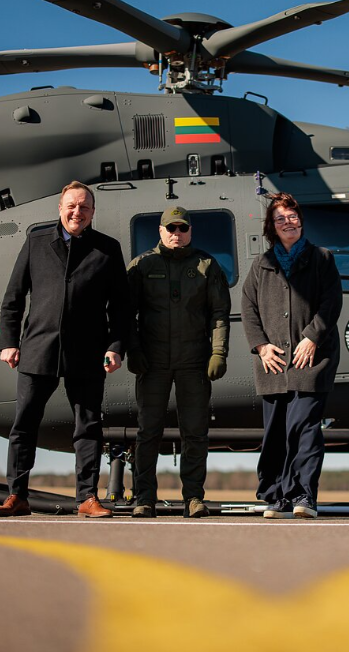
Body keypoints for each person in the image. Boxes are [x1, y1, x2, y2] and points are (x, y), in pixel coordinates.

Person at [0, 180, 128, 518]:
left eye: (84, 207)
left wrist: (115, 346)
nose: (77, 212)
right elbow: (13, 297)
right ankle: (17, 496)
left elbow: (121, 307)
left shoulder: (107, 248)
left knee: (88, 427)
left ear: (93, 212)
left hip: (87, 351)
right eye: (71, 206)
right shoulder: (36, 241)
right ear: (60, 208)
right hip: (38, 348)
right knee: (24, 423)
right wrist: (9, 342)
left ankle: (87, 498)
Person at [240, 193, 343, 519]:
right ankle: (276, 496)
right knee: (275, 432)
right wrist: (261, 346)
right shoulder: (261, 265)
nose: (289, 223)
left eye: (293, 216)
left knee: (304, 426)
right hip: (273, 362)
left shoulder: (322, 258)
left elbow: (331, 302)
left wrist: (312, 337)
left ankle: (303, 496)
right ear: (272, 226)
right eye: (281, 218)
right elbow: (248, 308)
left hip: (312, 359)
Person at [127, 206, 231, 518]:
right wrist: (134, 350)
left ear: (190, 231)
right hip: (153, 362)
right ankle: (144, 498)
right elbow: (126, 314)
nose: (176, 234)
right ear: (160, 231)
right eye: (170, 228)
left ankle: (194, 498)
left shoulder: (206, 265)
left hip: (193, 361)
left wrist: (218, 353)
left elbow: (219, 314)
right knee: (148, 432)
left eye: (182, 228)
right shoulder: (142, 265)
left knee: (195, 432)